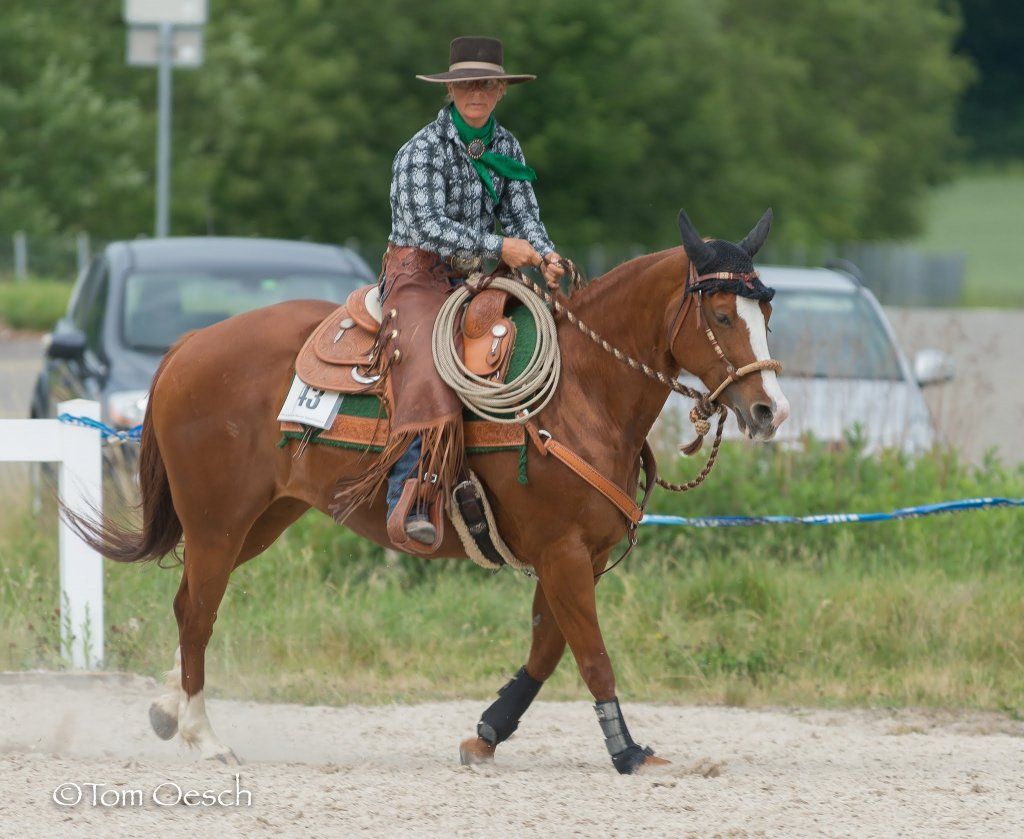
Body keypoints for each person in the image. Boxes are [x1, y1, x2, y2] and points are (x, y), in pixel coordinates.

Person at [379, 36, 565, 545]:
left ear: (502, 89)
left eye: (486, 83)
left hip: (481, 276)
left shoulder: (506, 147)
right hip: (418, 274)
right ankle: (409, 492)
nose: (476, 92)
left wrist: (546, 255)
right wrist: (500, 246)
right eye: (466, 84)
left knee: (540, 341)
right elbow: (425, 227)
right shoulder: (422, 150)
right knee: (425, 355)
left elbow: (526, 217)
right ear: (451, 89)